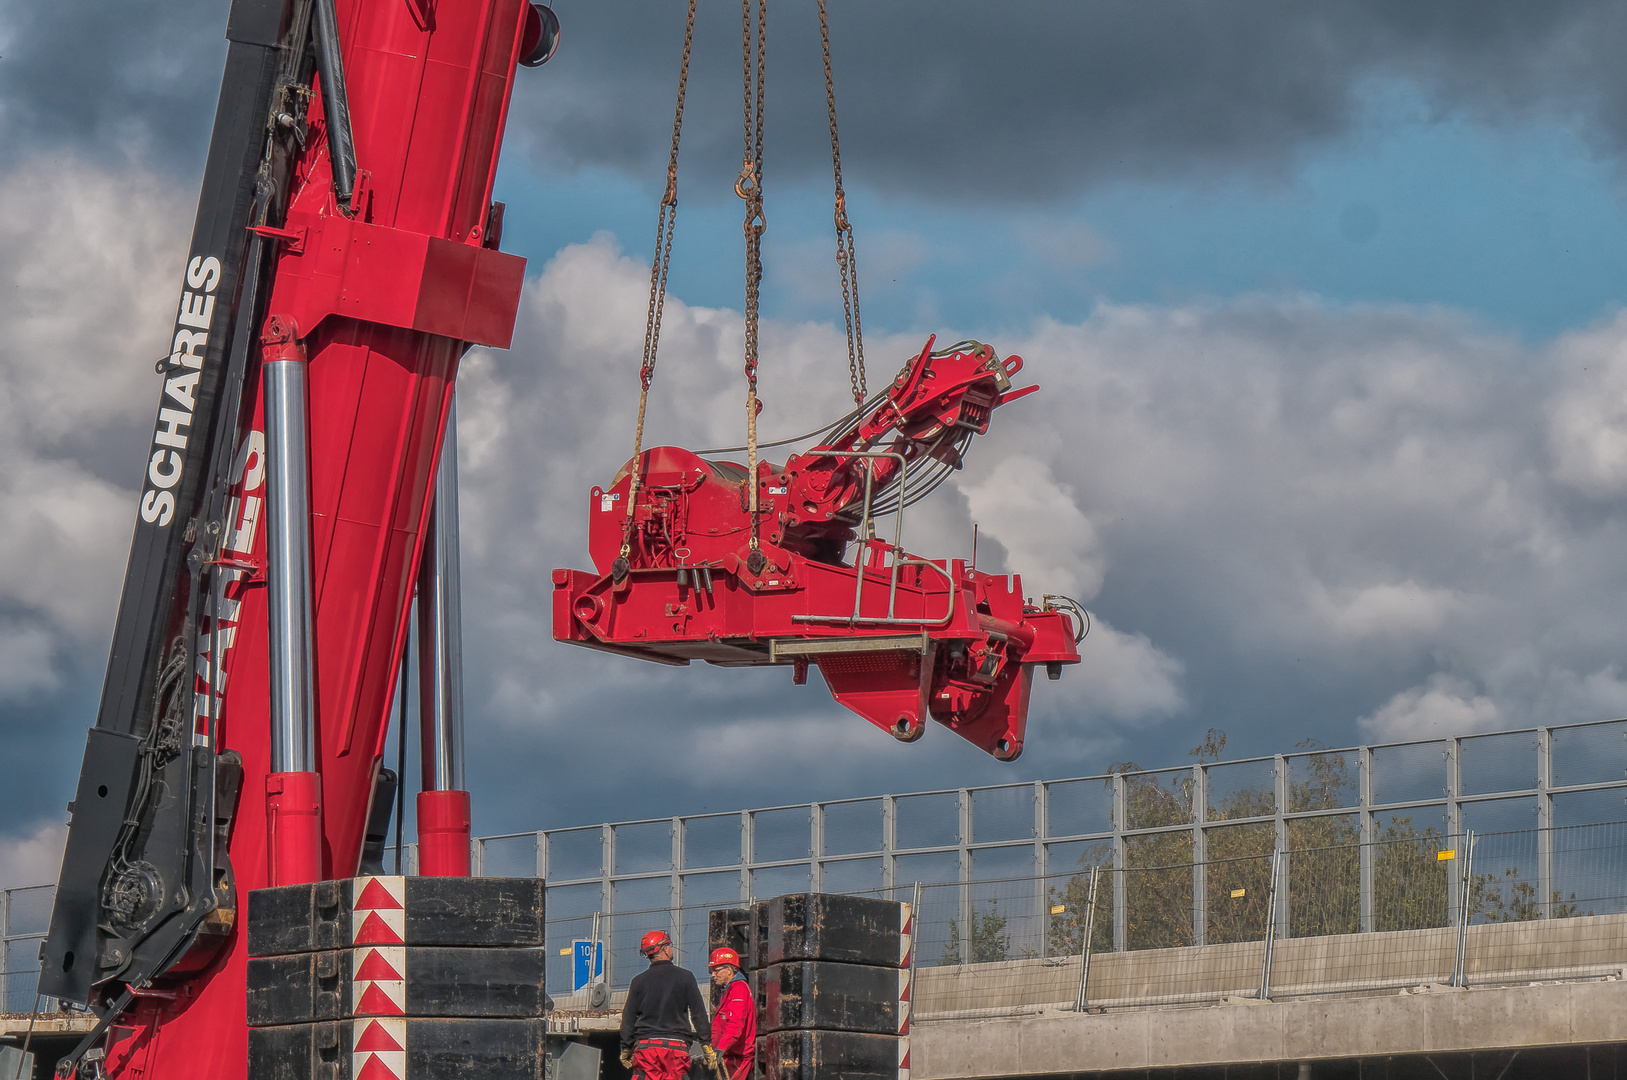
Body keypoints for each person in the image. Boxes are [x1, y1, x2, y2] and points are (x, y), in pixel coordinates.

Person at [619, 930, 718, 1080]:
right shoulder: (686, 977)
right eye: (669, 945)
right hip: (676, 1050)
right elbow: (698, 1014)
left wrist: (626, 1048)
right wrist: (706, 1044)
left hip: (647, 1051)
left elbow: (628, 1018)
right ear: (664, 949)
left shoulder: (638, 982)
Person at [707, 947, 756, 1080]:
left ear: (729, 970)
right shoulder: (731, 990)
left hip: (737, 1058)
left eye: (716, 971)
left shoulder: (738, 989)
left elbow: (735, 1023)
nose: (713, 975)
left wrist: (720, 1048)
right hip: (729, 1056)